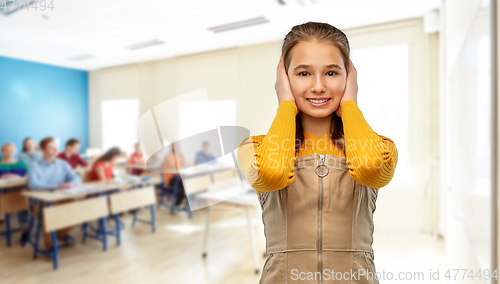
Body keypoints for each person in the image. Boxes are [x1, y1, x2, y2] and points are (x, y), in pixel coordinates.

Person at [236, 22, 398, 284]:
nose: (319, 86)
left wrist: (350, 105)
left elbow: (370, 167)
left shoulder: (380, 147)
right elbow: (272, 173)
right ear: (284, 79)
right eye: (303, 73)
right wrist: (286, 104)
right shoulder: (254, 148)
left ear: (349, 77)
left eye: (332, 73)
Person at [28, 136, 82, 250]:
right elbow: (32, 185)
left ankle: (60, 234)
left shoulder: (62, 163)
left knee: (79, 208)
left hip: (61, 197)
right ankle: (50, 245)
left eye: (56, 148)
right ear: (42, 150)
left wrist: (73, 184)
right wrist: (57, 186)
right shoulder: (34, 165)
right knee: (48, 212)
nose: (55, 150)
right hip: (41, 201)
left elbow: (76, 178)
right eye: (51, 148)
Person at [0, 143, 30, 244]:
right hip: (2, 192)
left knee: (22, 203)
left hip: (18, 191)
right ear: (2, 152)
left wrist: (16, 177)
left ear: (15, 152)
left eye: (11, 150)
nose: (9, 153)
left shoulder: (22, 163)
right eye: (6, 150)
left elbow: (28, 177)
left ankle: (25, 229)